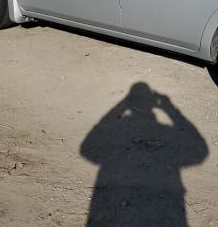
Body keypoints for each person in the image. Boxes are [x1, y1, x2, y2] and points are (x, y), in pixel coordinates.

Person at [81, 82, 208, 226]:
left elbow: (87, 147)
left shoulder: (122, 128)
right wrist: (169, 107)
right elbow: (200, 149)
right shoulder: (166, 132)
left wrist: (122, 105)